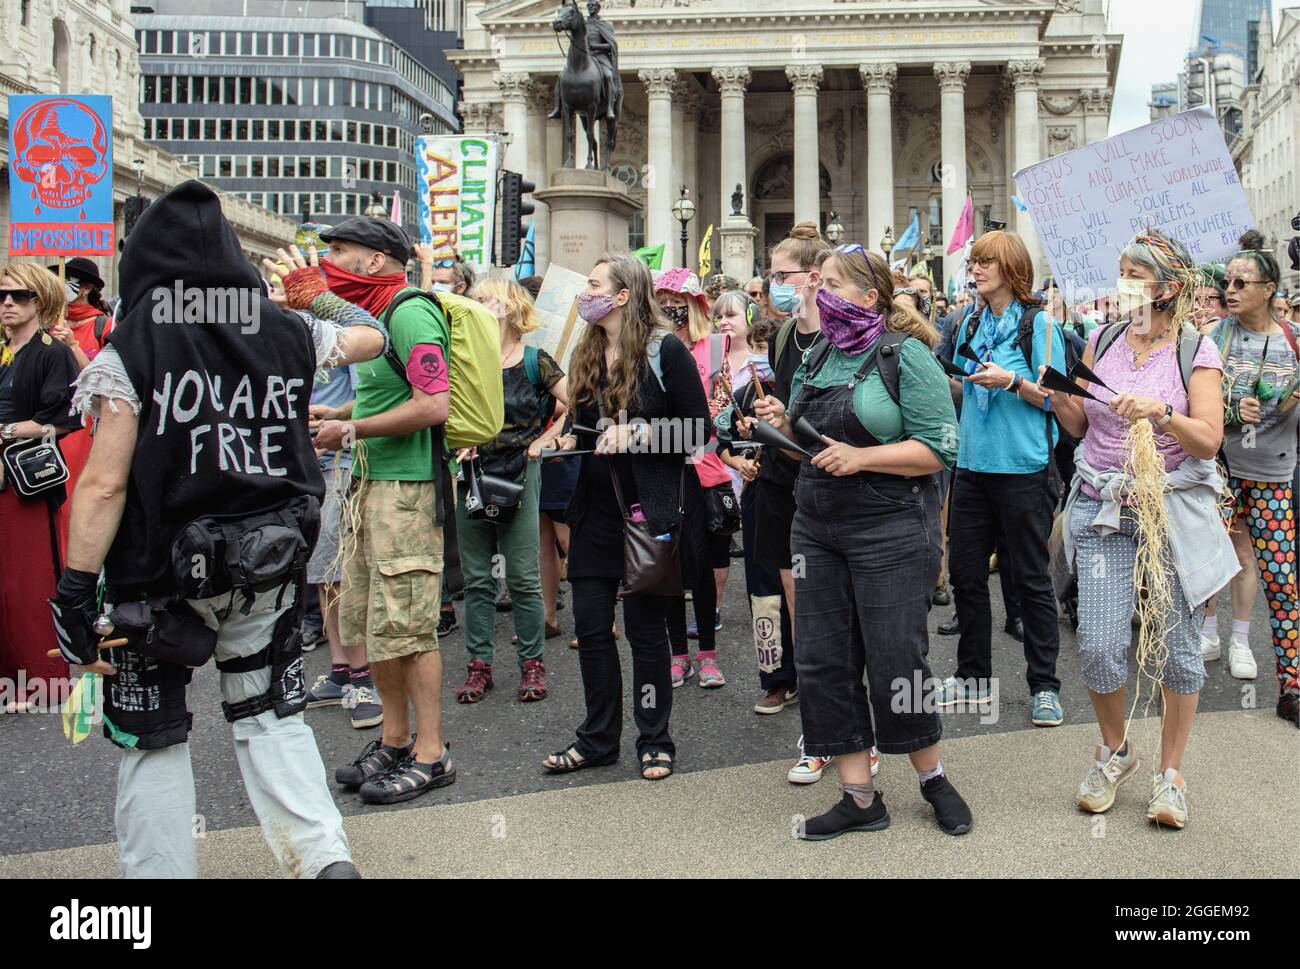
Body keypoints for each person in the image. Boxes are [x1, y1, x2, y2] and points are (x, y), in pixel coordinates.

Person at [50, 181, 389, 877]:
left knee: (155, 737)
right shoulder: (282, 329)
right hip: (269, 557)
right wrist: (315, 297)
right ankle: (326, 861)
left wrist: (76, 591)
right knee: (270, 714)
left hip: (159, 576)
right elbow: (372, 337)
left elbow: (105, 482)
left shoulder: (131, 344)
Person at [753, 242, 970, 839]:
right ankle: (858, 796)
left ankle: (930, 777)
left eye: (830, 284)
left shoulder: (907, 355)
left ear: (868, 297)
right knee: (823, 657)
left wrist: (865, 456)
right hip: (816, 524)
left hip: (890, 525)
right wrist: (774, 418)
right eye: (815, 282)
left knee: (897, 656)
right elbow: (809, 435)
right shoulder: (818, 352)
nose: (816, 293)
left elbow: (940, 448)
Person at [1047, 229, 1235, 827]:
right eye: (1119, 273)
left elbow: (1208, 438)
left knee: (1179, 654)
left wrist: (1162, 411)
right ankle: (1116, 750)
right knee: (1100, 647)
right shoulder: (1101, 339)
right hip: (1103, 508)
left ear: (1168, 287)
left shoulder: (1195, 350)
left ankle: (1170, 775)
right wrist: (1052, 393)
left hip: (1168, 512)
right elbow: (1079, 424)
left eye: (1133, 275)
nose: (1120, 285)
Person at [542, 255, 708, 780]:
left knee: (645, 631)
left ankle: (655, 739)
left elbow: (702, 434)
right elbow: (584, 421)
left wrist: (640, 434)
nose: (583, 293)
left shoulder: (667, 351)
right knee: (591, 626)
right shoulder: (587, 348)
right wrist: (567, 436)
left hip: (648, 509)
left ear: (621, 296)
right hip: (594, 509)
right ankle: (597, 739)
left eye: (593, 285)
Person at [314, 216, 457, 803]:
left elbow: (433, 404)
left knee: (410, 624)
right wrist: (340, 415)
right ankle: (396, 740)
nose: (331, 261)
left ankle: (432, 753)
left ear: (376, 261)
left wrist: (351, 427)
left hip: (407, 490)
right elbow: (383, 393)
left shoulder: (410, 312)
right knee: (376, 621)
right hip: (370, 483)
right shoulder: (375, 318)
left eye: (341, 250)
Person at [939, 230, 1067, 728]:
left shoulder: (1039, 325)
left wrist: (1012, 381)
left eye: (986, 261)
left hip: (1023, 470)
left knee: (1030, 579)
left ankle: (1045, 686)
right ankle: (972, 677)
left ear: (1011, 268)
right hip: (971, 467)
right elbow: (962, 384)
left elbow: (1059, 399)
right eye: (973, 261)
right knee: (967, 575)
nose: (975, 268)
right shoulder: (968, 320)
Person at [1199, 233, 1299, 726]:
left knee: (1280, 578)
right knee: (1207, 558)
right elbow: (1192, 398)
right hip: (1217, 468)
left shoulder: (1293, 343)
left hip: (1272, 474)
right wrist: (1232, 410)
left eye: (1242, 282)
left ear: (1269, 289)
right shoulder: (1214, 337)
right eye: (1227, 282)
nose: (1230, 290)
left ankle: (1291, 686)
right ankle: (1208, 633)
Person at [745, 222, 833, 777]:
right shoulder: (781, 338)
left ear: (814, 278)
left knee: (826, 603)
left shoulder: (841, 336)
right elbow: (791, 404)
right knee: (791, 596)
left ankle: (839, 718)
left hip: (829, 480)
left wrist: (795, 423)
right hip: (781, 479)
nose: (773, 285)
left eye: (782, 276)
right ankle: (813, 711)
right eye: (771, 275)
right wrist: (775, 417)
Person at [454, 278, 569, 704]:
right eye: (475, 299)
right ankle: (479, 664)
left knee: (523, 577)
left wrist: (546, 438)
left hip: (522, 470)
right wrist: (458, 440)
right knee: (478, 578)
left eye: (486, 298)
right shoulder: (463, 358)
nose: (478, 304)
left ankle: (532, 663)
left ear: (510, 307)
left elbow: (575, 402)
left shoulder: (536, 361)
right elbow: (444, 408)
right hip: (471, 471)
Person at [0, 263, 77, 712]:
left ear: (41, 301)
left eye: (19, 295)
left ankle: (43, 684)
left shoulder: (51, 351)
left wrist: (7, 432)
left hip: (26, 479)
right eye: (2, 295)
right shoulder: (2, 347)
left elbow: (62, 419)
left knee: (28, 581)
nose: (7, 303)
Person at [655, 268, 730, 687]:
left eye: (679, 301)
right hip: (662, 469)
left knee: (700, 564)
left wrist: (689, 424)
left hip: (704, 469)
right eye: (664, 300)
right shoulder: (649, 349)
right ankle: (677, 654)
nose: (672, 308)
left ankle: (707, 654)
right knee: (667, 566)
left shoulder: (714, 347)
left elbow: (719, 408)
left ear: (696, 305)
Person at [302, 358, 384, 730]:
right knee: (321, 574)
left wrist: (332, 425)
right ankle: (339, 672)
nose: (272, 294)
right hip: (302, 467)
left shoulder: (342, 334)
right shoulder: (278, 329)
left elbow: (367, 398)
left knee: (340, 574)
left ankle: (363, 679)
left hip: (341, 461)